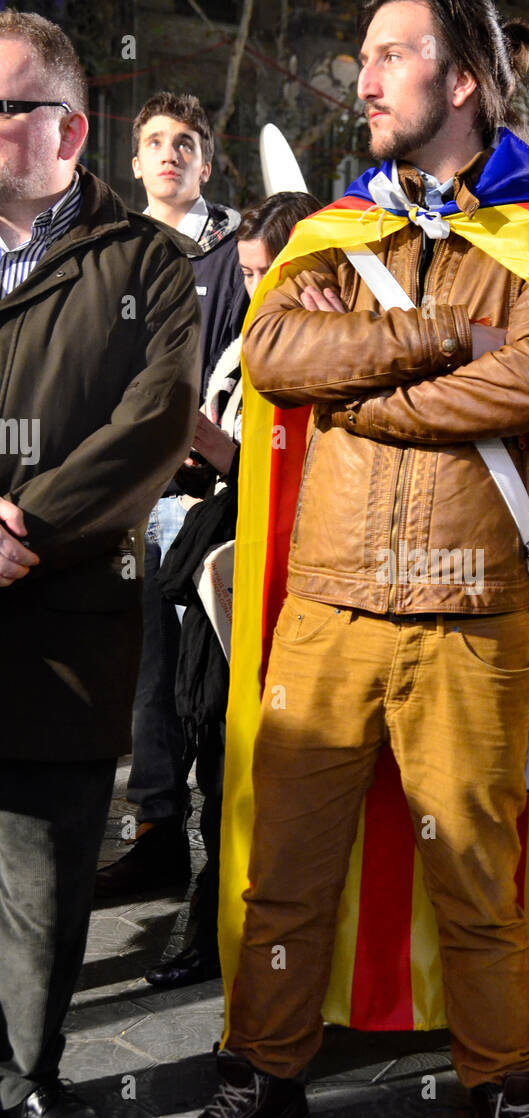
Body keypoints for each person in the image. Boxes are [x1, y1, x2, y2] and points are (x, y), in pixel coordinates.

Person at [126, 0, 529, 1118]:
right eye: (362, 55)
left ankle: (506, 1112)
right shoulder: (330, 233)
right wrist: (448, 340)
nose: (364, 75)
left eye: (391, 52)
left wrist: (370, 391)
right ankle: (259, 1092)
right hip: (327, 610)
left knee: (480, 889)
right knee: (282, 877)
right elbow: (283, 355)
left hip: (471, 616)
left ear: (460, 78)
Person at [0, 12, 199, 1118]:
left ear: (69, 129)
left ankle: (34, 1072)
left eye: (7, 105)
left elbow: (156, 424)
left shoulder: (147, 265)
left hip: (63, 616)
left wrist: (28, 522)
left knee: (46, 872)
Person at [144, 191, 321, 991]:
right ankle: (213, 926)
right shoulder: (248, 340)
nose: (253, 287)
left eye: (267, 269)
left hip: (281, 591)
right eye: (245, 272)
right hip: (217, 578)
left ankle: (235, 936)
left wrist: (216, 450)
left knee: (252, 771)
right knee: (212, 757)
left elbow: (310, 480)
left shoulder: (326, 349)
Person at [94, 93, 247, 901]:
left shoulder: (236, 254)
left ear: (206, 161)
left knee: (212, 672)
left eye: (185, 142)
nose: (168, 154)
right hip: (135, 494)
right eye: (154, 141)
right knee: (150, 670)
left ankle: (227, 848)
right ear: (134, 160)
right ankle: (156, 834)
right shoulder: (111, 247)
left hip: (212, 493)